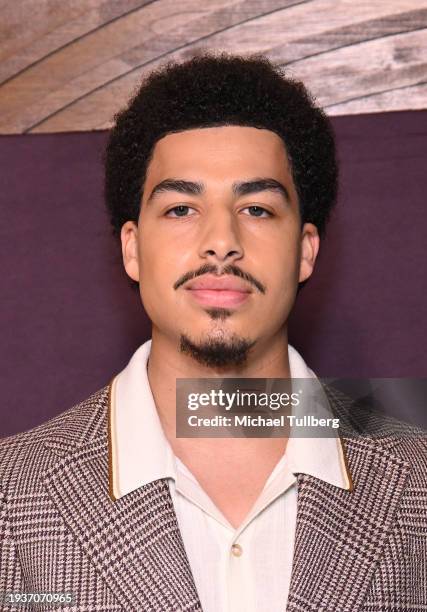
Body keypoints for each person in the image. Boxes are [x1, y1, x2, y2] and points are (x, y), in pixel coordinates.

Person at [0, 53, 425, 612]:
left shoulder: (417, 484)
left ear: (305, 250)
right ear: (132, 248)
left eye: (255, 208)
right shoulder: (12, 499)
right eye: (180, 209)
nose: (220, 240)